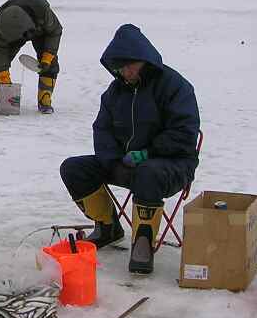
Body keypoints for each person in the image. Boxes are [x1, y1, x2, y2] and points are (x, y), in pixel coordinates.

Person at [59, 24, 199, 275]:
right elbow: (101, 130)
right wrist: (111, 160)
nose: (123, 72)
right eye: (119, 68)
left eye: (128, 66)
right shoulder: (114, 92)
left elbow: (184, 134)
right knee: (74, 168)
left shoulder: (175, 86)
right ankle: (107, 226)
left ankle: (142, 243)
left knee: (148, 173)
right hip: (125, 164)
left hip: (172, 165)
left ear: (143, 60)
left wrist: (148, 152)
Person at [0, 0, 62, 114]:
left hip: (39, 28)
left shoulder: (42, 12)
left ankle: (45, 98)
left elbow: (55, 32)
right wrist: (4, 77)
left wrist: (48, 57)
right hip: (15, 29)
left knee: (50, 64)